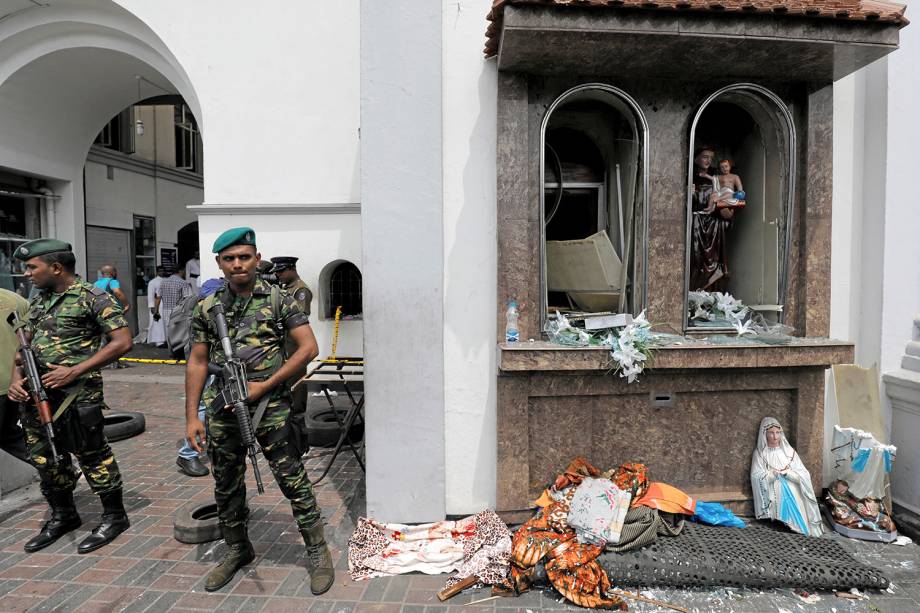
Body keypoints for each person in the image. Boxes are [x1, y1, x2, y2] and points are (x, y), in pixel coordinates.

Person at [184, 227, 333, 594]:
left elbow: (308, 349)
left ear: (256, 258)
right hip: (224, 408)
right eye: (229, 259)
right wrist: (191, 416)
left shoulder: (280, 299)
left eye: (244, 257)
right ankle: (237, 548)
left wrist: (264, 386)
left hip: (272, 408)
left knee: (292, 479)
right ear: (219, 263)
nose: (237, 264)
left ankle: (317, 550)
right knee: (226, 482)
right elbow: (198, 361)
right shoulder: (207, 305)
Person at [7, 239, 133, 554]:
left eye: (32, 267)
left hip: (77, 396)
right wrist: (14, 380)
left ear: (56, 267)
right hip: (37, 397)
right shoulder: (37, 300)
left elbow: (122, 342)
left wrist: (75, 371)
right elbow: (23, 350)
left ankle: (114, 516)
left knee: (92, 455)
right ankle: (64, 514)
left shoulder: (93, 297)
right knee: (46, 458)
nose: (27, 274)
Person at [175, 278, 224, 479]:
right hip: (205, 370)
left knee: (215, 408)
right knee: (201, 410)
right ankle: (187, 455)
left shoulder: (215, 314)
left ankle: (211, 445)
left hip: (214, 369)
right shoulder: (200, 316)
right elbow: (193, 354)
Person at [750, 416, 824, 537]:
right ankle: (783, 525)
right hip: (773, 490)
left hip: (792, 488)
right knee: (779, 490)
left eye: (778, 432)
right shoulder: (760, 454)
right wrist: (771, 475)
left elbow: (804, 474)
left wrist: (789, 474)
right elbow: (756, 476)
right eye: (771, 433)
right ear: (764, 434)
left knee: (795, 497)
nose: (775, 437)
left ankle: (798, 527)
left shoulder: (789, 452)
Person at [270, 256, 314, 455]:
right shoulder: (282, 290)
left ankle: (299, 444)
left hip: (295, 353)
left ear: (291, 269)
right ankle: (284, 440)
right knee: (283, 400)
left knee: (296, 402)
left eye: (281, 271)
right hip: (282, 353)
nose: (278, 275)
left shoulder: (300, 291)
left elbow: (297, 319)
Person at [689, 147, 734, 291]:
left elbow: (725, 197)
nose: (708, 160)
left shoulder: (716, 176)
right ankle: (694, 290)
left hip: (714, 225)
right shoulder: (689, 175)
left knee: (714, 260)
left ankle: (711, 292)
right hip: (696, 224)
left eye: (710, 157)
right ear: (696, 159)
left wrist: (726, 211)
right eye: (705, 157)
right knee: (696, 259)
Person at [1, 287, 31, 464]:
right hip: (17, 381)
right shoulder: (16, 300)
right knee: (8, 434)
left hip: (10, 383)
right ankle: (56, 468)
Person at [146, 266, 168, 347]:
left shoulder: (167, 280)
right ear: (157, 272)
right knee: (157, 322)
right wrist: (152, 306)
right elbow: (150, 295)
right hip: (157, 304)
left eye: (163, 270)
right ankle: (158, 342)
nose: (162, 272)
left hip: (166, 303)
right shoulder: (153, 282)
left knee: (165, 323)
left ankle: (165, 340)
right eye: (160, 271)